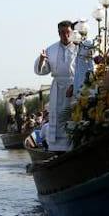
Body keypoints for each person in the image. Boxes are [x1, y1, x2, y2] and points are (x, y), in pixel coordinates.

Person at [33, 20, 79, 152]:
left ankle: (73, 144)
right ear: (58, 33)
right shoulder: (51, 49)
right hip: (58, 87)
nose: (65, 36)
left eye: (67, 32)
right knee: (57, 115)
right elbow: (41, 70)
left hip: (74, 87)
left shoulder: (79, 48)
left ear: (71, 32)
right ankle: (57, 148)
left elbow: (85, 70)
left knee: (73, 115)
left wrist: (75, 85)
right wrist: (42, 60)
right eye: (62, 33)